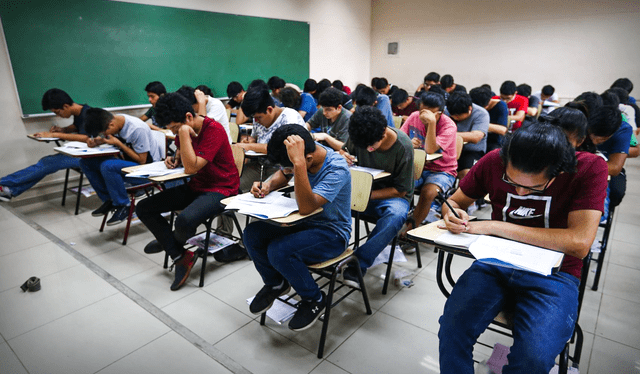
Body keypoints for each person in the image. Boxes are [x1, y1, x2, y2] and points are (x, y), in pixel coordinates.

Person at [438, 121, 608, 374]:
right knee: (452, 331)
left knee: (534, 358)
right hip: (495, 263)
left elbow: (579, 243)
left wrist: (494, 227)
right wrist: (451, 213)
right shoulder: (494, 160)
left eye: (532, 187)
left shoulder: (588, 167)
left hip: (555, 273)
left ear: (558, 171)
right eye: (511, 180)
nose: (519, 191)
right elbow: (454, 201)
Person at [244, 124, 351, 331]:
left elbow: (306, 207)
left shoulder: (336, 168)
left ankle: (315, 298)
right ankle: (276, 283)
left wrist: (299, 164)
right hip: (304, 224)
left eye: (295, 165)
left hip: (332, 233)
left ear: (307, 159)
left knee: (279, 251)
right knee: (252, 234)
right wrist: (268, 184)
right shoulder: (302, 156)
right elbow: (284, 174)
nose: (291, 169)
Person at [136, 93, 240, 291]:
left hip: (223, 188)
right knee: (144, 207)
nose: (175, 132)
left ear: (188, 117)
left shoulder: (213, 130)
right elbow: (185, 158)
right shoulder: (183, 127)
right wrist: (174, 158)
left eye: (176, 128)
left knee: (184, 220)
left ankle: (169, 242)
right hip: (198, 185)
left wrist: (183, 133)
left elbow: (192, 168)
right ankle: (179, 254)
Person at [340, 106, 414, 286]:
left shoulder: (403, 147)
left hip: (391, 196)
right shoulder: (361, 136)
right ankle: (329, 252)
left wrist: (365, 196)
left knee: (395, 216)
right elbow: (344, 151)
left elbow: (401, 190)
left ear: (383, 132)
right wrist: (343, 155)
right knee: (328, 201)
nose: (368, 149)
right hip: (362, 190)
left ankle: (358, 264)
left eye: (372, 146)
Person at [0, 89, 91, 202]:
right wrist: (63, 130)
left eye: (58, 112)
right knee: (47, 162)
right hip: (81, 153)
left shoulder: (89, 114)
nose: (58, 116)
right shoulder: (81, 112)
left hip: (92, 157)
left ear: (66, 106)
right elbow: (79, 126)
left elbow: (87, 138)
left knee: (48, 162)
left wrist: (55, 134)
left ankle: (3, 184)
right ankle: (8, 190)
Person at [79, 108, 163, 225]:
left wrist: (118, 144)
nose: (105, 135)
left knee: (107, 166)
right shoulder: (115, 121)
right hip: (128, 165)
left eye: (104, 132)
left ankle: (124, 205)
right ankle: (110, 200)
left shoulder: (136, 129)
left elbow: (142, 161)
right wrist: (99, 141)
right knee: (85, 163)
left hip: (147, 171)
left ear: (111, 124)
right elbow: (112, 138)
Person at [399, 92, 457, 231]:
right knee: (399, 184)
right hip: (419, 166)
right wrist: (408, 142)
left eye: (429, 114)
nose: (423, 117)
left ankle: (410, 231)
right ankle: (400, 217)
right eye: (422, 112)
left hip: (443, 170)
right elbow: (399, 138)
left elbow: (431, 149)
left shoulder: (449, 126)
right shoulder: (414, 117)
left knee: (428, 193)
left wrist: (431, 123)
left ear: (440, 113)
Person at [587, 105, 631, 210]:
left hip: (603, 167)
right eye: (592, 135)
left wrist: (583, 166)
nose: (594, 141)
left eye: (601, 139)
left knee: (616, 192)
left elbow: (615, 167)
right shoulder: (585, 121)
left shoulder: (623, 130)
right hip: (582, 163)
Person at [447, 92, 489, 180]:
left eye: (458, 116)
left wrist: (447, 135)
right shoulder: (447, 110)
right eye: (452, 116)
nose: (455, 118)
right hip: (448, 148)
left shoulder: (481, 114)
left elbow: (476, 137)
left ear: (469, 108)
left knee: (467, 175)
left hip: (471, 150)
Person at [469, 86, 508, 152]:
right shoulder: (472, 106)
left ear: (489, 102)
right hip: (475, 138)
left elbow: (503, 130)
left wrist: (481, 124)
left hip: (493, 141)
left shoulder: (500, 105)